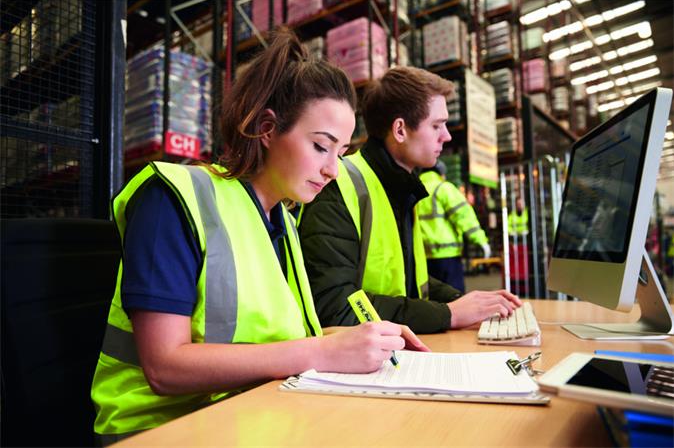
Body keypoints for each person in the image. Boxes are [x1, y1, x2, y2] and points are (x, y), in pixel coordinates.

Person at [90, 29, 428, 443]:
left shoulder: (282, 221)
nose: (333, 170)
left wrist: (364, 338)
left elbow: (281, 340)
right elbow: (164, 367)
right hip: (160, 431)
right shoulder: (175, 198)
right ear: (267, 129)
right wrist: (321, 351)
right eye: (321, 146)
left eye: (340, 153)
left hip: (248, 414)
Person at [299, 66, 521, 334]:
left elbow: (411, 283)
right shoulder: (338, 187)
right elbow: (335, 307)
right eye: (436, 125)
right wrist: (448, 314)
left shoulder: (401, 189)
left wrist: (463, 301)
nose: (447, 135)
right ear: (400, 130)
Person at [417, 160, 491, 293]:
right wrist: (481, 240)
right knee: (454, 296)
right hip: (447, 255)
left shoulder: (414, 190)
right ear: (441, 173)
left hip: (422, 257)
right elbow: (463, 216)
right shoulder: (443, 188)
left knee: (431, 298)